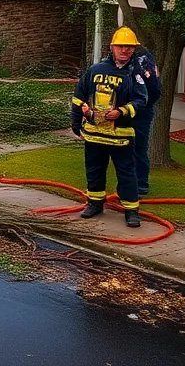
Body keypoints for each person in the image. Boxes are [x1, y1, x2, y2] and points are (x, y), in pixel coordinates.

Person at [71, 26, 149, 227]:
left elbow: (141, 100)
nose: (125, 51)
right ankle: (95, 203)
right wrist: (75, 120)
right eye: (121, 46)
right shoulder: (96, 70)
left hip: (120, 137)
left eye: (130, 48)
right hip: (94, 135)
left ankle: (131, 211)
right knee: (94, 170)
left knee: (127, 173)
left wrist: (121, 111)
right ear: (112, 47)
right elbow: (79, 97)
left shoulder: (135, 75)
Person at [130, 40, 161, 198]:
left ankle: (139, 185)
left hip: (139, 113)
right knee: (133, 149)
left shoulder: (142, 62)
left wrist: (139, 106)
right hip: (129, 112)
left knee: (136, 149)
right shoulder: (147, 58)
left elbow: (154, 90)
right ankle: (134, 184)